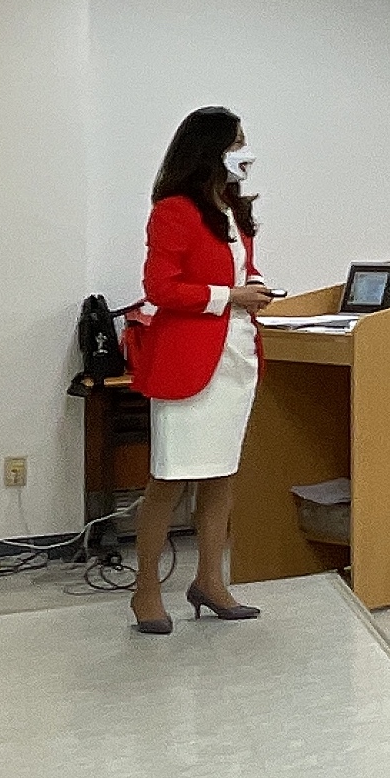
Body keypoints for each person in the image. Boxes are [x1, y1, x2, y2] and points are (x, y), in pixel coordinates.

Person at [122, 106, 271, 633]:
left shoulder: (231, 209)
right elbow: (161, 288)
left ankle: (211, 581)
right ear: (210, 150)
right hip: (188, 363)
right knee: (169, 480)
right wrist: (229, 296)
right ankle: (145, 592)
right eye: (237, 143)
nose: (245, 153)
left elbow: (241, 271)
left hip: (235, 358)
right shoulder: (174, 210)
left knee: (220, 476)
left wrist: (254, 289)